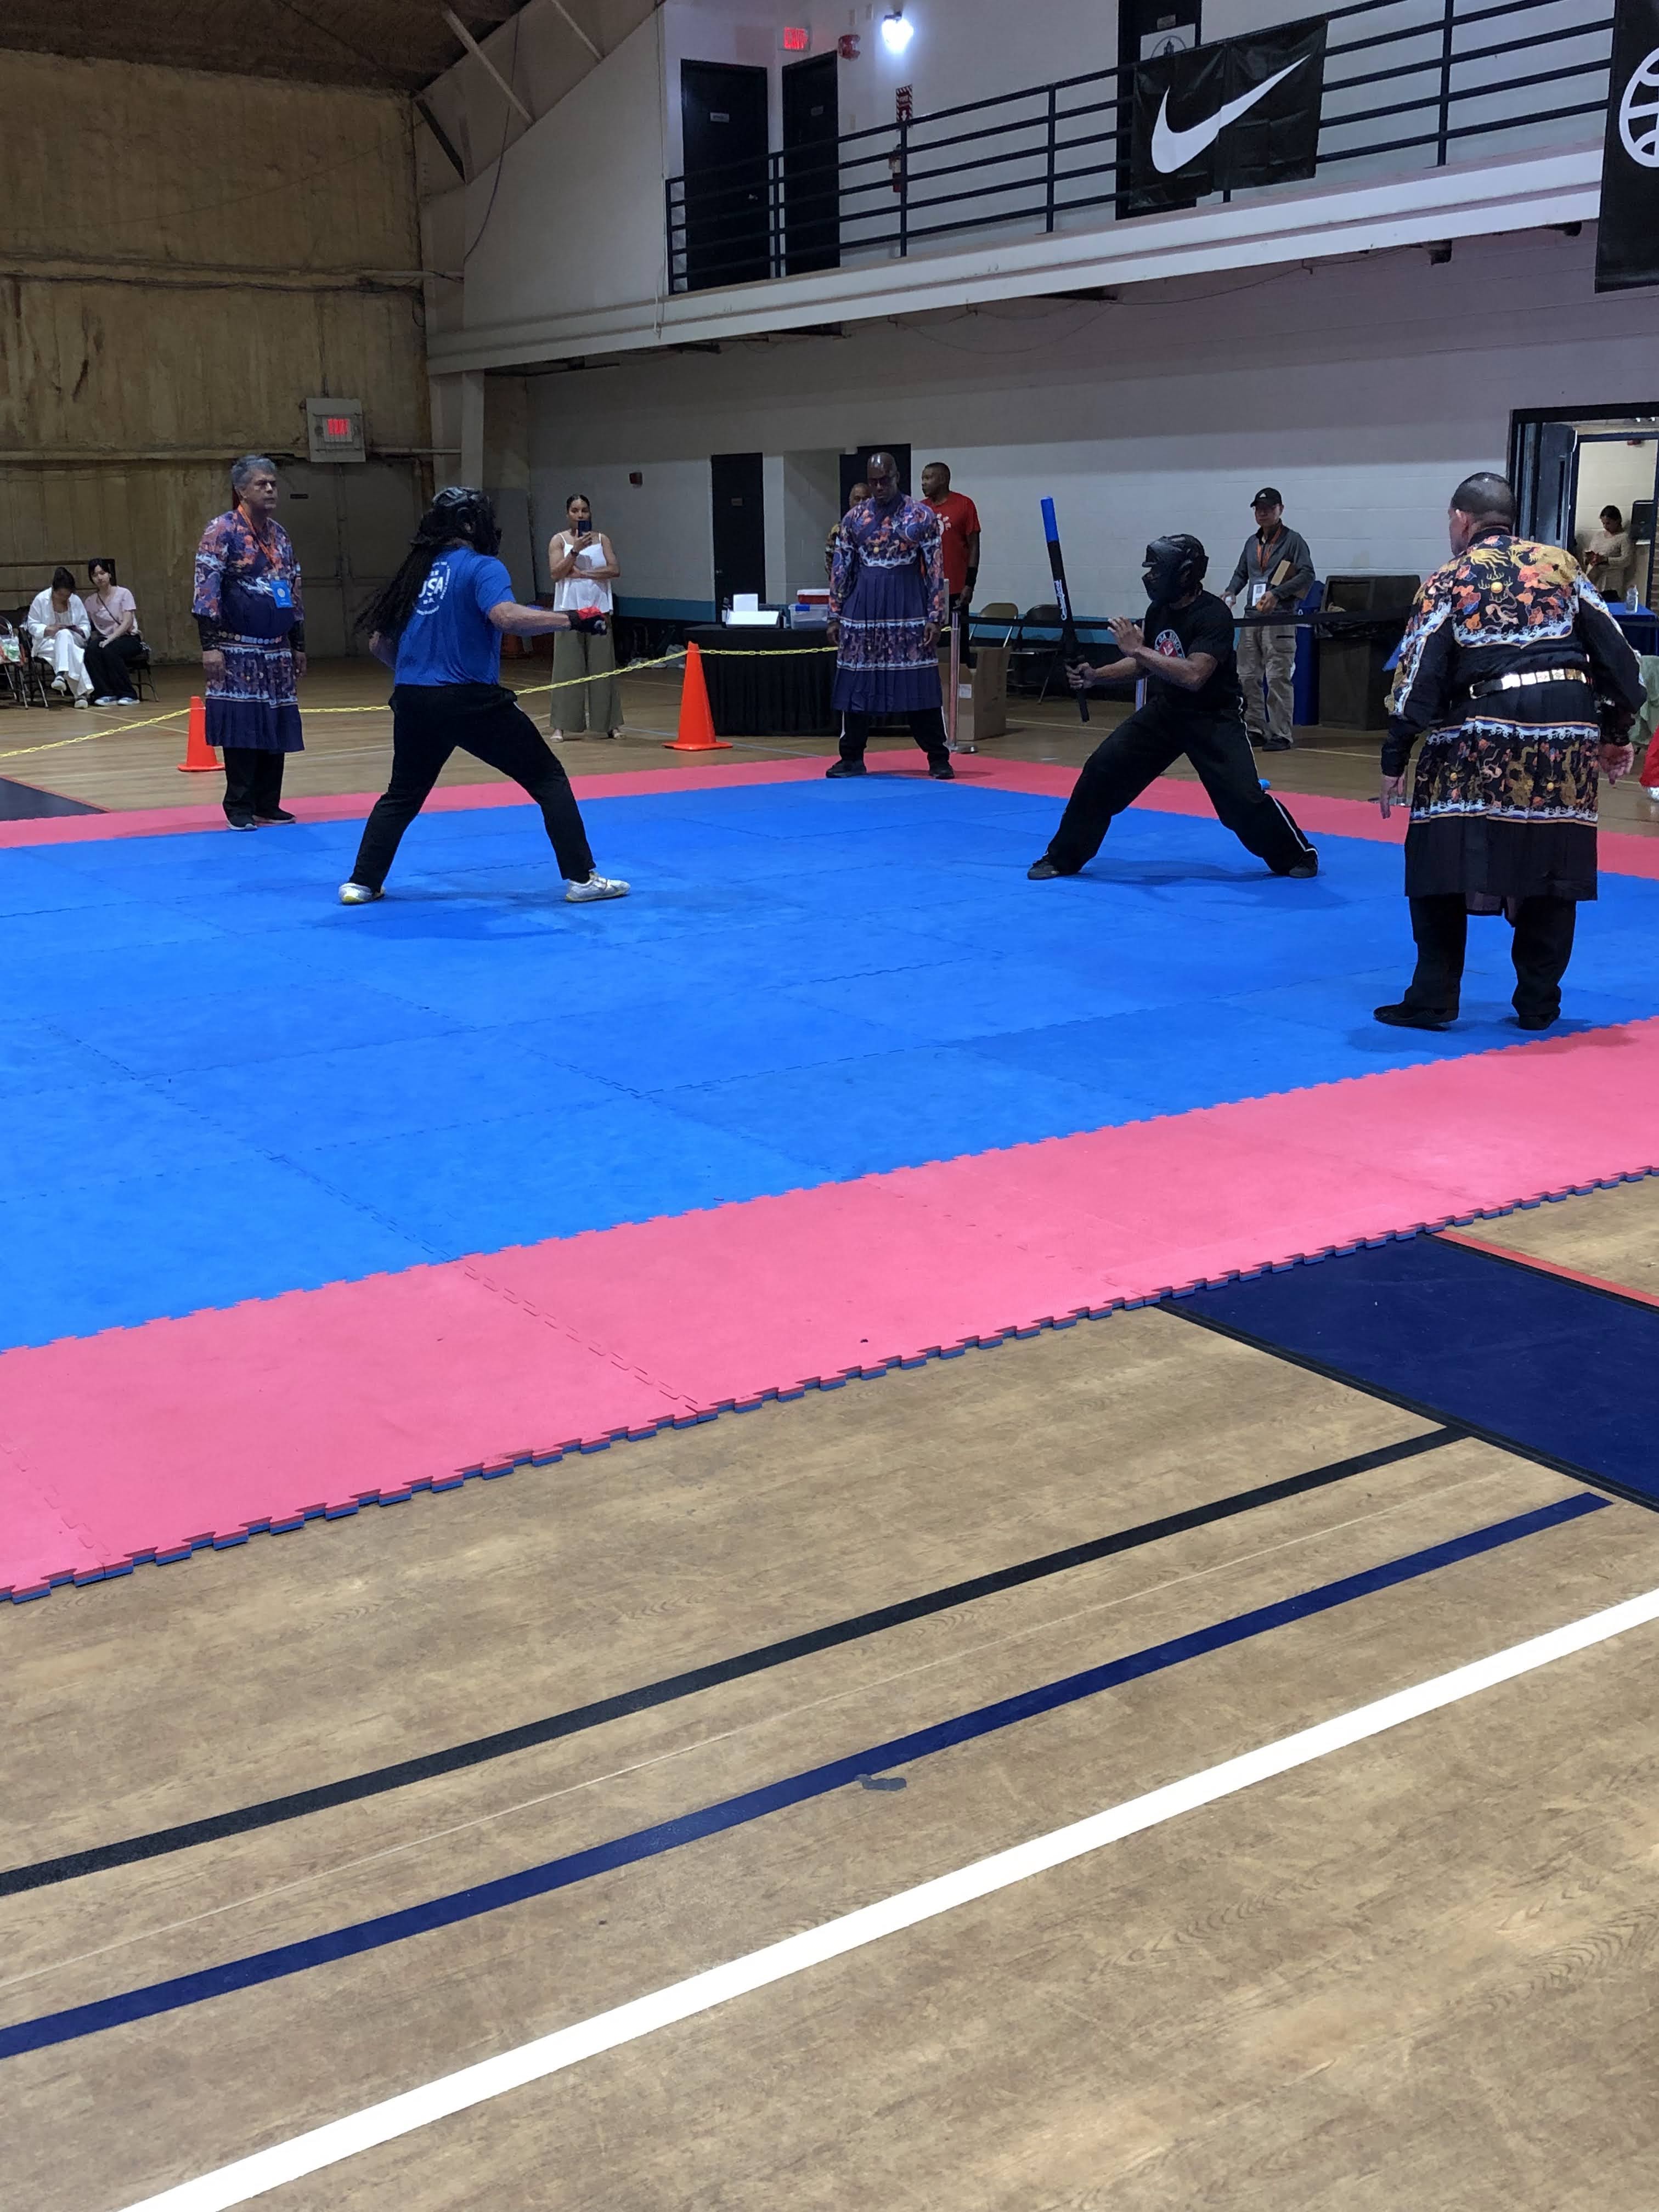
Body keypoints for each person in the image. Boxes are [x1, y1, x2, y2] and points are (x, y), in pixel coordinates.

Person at [1375, 472, 1643, 1032]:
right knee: (1552, 859)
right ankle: (1539, 1004)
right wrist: (1616, 733)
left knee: (1439, 855)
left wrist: (1395, 757)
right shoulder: (1562, 567)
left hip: (1482, 728)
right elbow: (1618, 655)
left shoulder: (1448, 578)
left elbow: (1419, 677)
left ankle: (1433, 998)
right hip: (1567, 729)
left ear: (1461, 519)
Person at [339, 487, 628, 908]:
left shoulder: (416, 571)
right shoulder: (482, 567)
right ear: (471, 524)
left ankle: (361, 883)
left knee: (402, 795)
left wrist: (419, 674)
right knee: (547, 778)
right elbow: (506, 617)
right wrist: (572, 619)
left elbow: (379, 643)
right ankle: (582, 879)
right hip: (468, 698)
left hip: (414, 700)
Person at [1028, 533, 1317, 881]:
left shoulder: (1214, 615)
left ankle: (1297, 854)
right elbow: (1145, 665)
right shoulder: (1159, 610)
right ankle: (1063, 857)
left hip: (1213, 718)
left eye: (1156, 570)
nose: (1149, 577)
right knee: (1101, 773)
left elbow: (1194, 675)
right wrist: (1095, 676)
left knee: (1241, 803)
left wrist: (1137, 649)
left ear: (1183, 574)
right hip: (1167, 712)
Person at [192, 456, 306, 829]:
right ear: (241, 490)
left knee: (275, 722)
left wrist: (298, 643)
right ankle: (239, 806)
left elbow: (294, 589)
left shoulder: (281, 535)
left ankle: (268, 803)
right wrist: (210, 645)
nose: (270, 489)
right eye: (261, 484)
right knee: (242, 725)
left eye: (273, 483)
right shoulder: (221, 531)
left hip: (276, 649)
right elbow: (206, 589)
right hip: (236, 648)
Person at [826, 452, 953, 779]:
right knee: (857, 683)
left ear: (897, 477)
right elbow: (841, 569)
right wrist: (834, 615)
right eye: (874, 482)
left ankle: (938, 757)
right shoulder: (854, 519)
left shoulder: (921, 516)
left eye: (885, 480)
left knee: (919, 682)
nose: (880, 487)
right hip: (862, 611)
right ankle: (851, 757)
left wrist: (935, 616)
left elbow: (935, 569)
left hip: (908, 608)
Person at [1223, 488, 1314, 753]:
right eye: (1258, 509)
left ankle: (1281, 733)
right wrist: (1230, 592)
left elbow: (1307, 574)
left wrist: (1278, 593)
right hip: (1251, 618)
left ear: (1280, 510)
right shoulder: (1251, 543)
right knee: (1247, 675)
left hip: (1280, 618)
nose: (1262, 513)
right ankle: (1255, 728)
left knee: (1277, 677)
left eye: (1269, 508)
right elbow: (1241, 573)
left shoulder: (1293, 541)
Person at [546, 493, 622, 741]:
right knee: (567, 669)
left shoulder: (602, 539)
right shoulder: (559, 541)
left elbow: (614, 569)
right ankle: (561, 725)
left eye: (584, 510)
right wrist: (575, 552)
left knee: (603, 668)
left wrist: (585, 575)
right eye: (575, 511)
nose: (580, 515)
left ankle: (609, 723)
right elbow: (556, 574)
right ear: (568, 513)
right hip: (570, 611)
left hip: (598, 610)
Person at [921, 460, 981, 640]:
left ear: (943, 480)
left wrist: (970, 583)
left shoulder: (964, 505)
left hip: (955, 588)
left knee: (955, 643)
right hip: (926, 588)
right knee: (928, 641)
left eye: (928, 478)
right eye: (922, 479)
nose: (923, 483)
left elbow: (974, 546)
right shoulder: (920, 510)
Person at [26, 569, 92, 706]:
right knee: (72, 652)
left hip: (73, 639)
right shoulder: (41, 599)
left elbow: (85, 625)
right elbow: (31, 625)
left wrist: (79, 630)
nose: (64, 598)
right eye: (60, 595)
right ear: (53, 589)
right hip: (47, 643)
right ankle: (81, 696)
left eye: (67, 595)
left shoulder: (75, 601)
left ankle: (61, 675)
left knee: (65, 635)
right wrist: (47, 629)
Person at [83, 558, 144, 706]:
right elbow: (87, 624)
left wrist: (110, 639)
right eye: (95, 575)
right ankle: (105, 693)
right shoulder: (90, 601)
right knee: (91, 650)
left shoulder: (124, 593)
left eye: (102, 573)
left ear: (109, 574)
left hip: (128, 637)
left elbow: (127, 622)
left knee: (110, 650)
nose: (100, 577)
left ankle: (128, 694)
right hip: (104, 638)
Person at [1581, 505, 1632, 602]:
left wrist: (1606, 560)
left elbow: (1626, 560)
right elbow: (1590, 551)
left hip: (1610, 585)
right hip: (1592, 581)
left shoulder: (1624, 538)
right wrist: (1588, 559)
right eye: (1603, 523)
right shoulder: (1598, 535)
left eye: (1608, 523)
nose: (1605, 526)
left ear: (1617, 521)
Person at [826, 482, 869, 578]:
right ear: (850, 502)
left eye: (865, 499)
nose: (861, 503)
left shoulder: (879, 528)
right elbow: (830, 560)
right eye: (857, 499)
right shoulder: (839, 530)